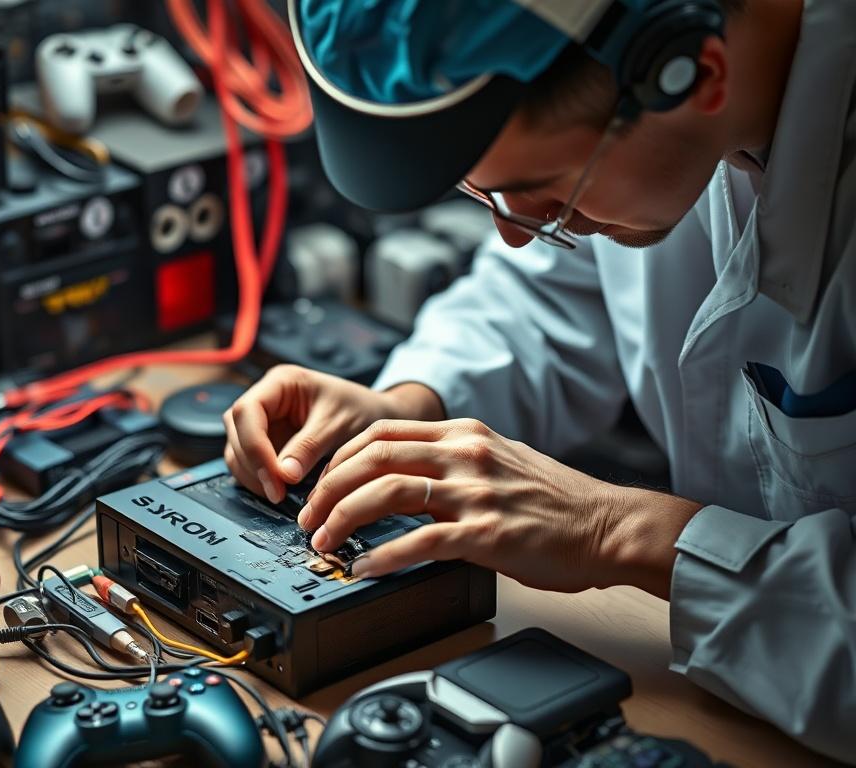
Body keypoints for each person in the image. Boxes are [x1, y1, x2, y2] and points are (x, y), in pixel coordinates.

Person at [223, 0, 856, 760]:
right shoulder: (660, 125)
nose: (515, 233)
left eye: (546, 191)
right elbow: (561, 285)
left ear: (697, 75)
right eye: (485, 191)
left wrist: (622, 531)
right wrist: (406, 409)